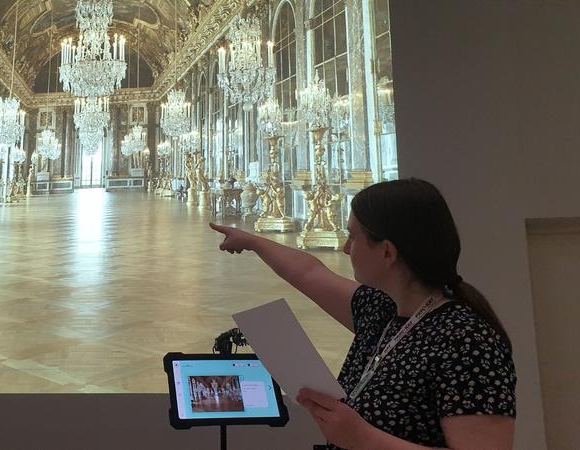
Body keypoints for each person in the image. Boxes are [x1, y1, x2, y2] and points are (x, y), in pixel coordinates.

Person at [210, 178, 515, 449]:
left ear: (387, 251)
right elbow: (309, 273)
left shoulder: (466, 338)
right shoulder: (383, 310)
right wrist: (252, 242)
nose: (345, 248)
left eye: (353, 237)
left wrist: (364, 439)